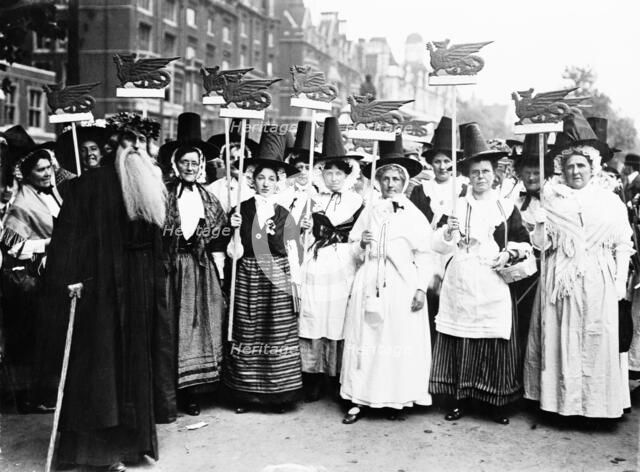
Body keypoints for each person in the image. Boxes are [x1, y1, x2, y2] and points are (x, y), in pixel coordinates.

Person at [42, 113, 166, 471]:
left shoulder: (145, 182)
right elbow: (67, 241)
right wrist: (72, 278)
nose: (138, 150)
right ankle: (94, 454)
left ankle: (132, 445)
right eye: (131, 144)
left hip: (137, 292)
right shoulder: (88, 185)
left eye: (142, 145)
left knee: (132, 371)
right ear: (115, 147)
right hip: (100, 293)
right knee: (101, 374)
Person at [524, 113, 633, 419]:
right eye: (570, 165)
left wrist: (618, 285)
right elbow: (542, 246)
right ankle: (562, 406)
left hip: (598, 277)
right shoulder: (552, 200)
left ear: (593, 167)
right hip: (561, 279)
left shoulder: (608, 201)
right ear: (561, 167)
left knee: (596, 341)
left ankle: (596, 407)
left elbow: (622, 243)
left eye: (581, 165)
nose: (575, 171)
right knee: (562, 341)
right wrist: (541, 226)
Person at [429, 123, 532, 425]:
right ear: (467, 175)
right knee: (461, 338)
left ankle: (494, 402)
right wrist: (447, 233)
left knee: (492, 338)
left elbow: (523, 241)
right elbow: (436, 244)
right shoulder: (456, 205)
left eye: (485, 172)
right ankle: (460, 399)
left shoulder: (505, 206)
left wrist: (510, 251)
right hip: (461, 278)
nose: (480, 178)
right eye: (475, 173)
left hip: (492, 279)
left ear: (494, 173)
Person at [339, 145, 432, 424]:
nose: (390, 185)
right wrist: (361, 245)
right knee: (365, 339)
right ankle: (359, 398)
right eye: (385, 179)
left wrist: (420, 288)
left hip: (401, 284)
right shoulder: (370, 210)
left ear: (404, 182)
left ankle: (395, 397)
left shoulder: (414, 215)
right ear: (378, 182)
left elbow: (424, 254)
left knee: (396, 340)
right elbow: (353, 245)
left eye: (396, 180)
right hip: (369, 280)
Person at [224, 130, 303, 414]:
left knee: (277, 333)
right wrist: (233, 229)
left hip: (278, 278)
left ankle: (278, 396)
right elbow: (234, 251)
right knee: (248, 331)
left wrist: (295, 285)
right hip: (248, 277)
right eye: (261, 178)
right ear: (252, 180)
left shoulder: (285, 213)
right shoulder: (240, 209)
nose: (266, 183)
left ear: (279, 181)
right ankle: (247, 396)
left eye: (272, 178)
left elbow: (294, 253)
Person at [156, 113, 228, 421]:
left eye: (194, 163)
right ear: (175, 164)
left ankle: (193, 392)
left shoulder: (209, 198)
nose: (190, 167)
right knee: (171, 326)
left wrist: (230, 227)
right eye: (184, 162)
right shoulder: (162, 194)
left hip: (200, 268)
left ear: (201, 166)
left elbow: (221, 233)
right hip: (170, 267)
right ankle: (167, 390)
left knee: (199, 327)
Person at [297, 117, 364, 402]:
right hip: (316, 260)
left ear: (348, 175)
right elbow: (300, 238)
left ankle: (336, 375)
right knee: (314, 315)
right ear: (321, 173)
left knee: (339, 316)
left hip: (344, 262)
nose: (334, 178)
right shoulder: (312, 200)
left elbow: (361, 237)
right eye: (329, 172)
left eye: (339, 173)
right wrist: (305, 232)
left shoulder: (359, 201)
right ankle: (312, 374)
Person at [0, 144, 62, 413]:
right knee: (34, 337)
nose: (47, 173)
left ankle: (49, 391)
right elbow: (12, 246)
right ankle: (32, 396)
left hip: (53, 273)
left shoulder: (55, 193)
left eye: (49, 167)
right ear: (28, 174)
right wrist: (49, 244)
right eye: (40, 170)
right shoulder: (23, 203)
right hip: (30, 280)